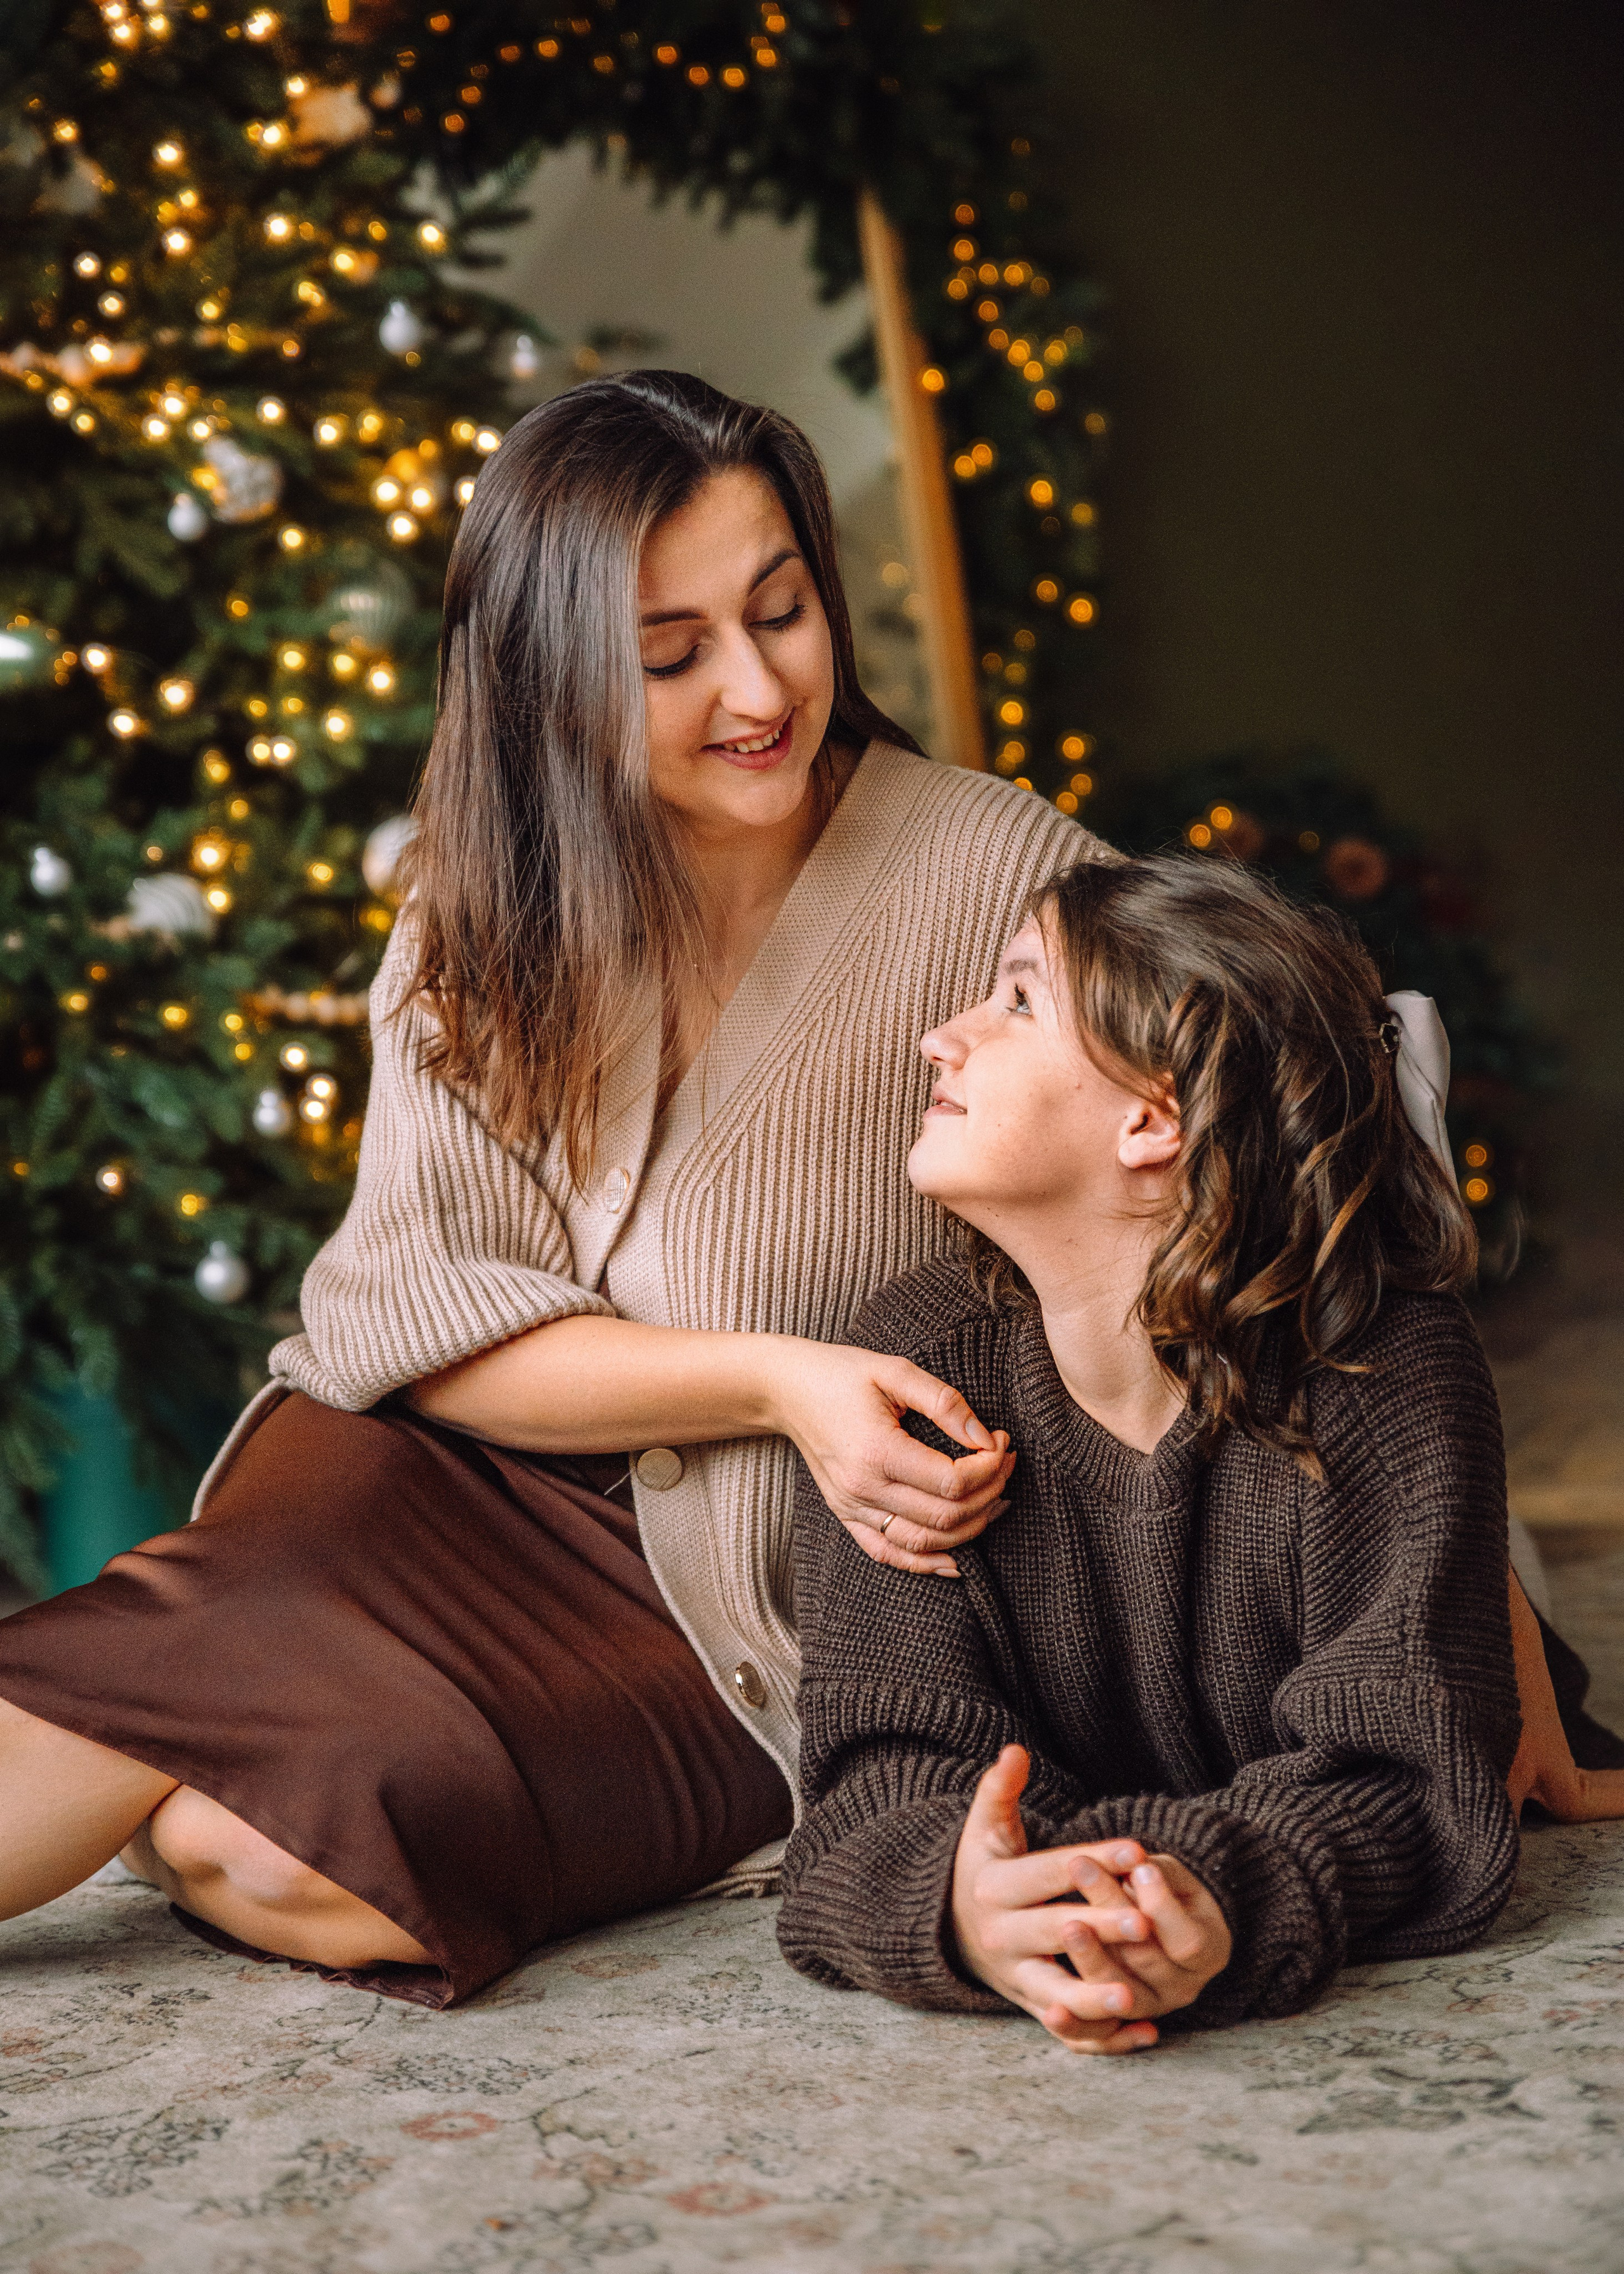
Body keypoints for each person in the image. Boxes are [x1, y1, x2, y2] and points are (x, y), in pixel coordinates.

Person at [0, 372, 1094, 2006]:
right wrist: (779, 1376)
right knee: (200, 1632)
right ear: (550, 677)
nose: (755, 687)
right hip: (422, 1467)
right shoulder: (479, 891)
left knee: (291, 1859)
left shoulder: (1004, 876)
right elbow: (413, 1312)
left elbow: (1236, 1208)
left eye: (781, 610)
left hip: (730, 1582)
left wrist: (1450, 1612)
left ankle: (203, 1774)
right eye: (668, 656)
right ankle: (219, 1718)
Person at [778, 855, 1624, 2053]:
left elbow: (1407, 1785)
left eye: (1018, 1001)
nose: (940, 1039)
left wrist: (1212, 1902)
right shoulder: (913, 1364)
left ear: (1153, 1117)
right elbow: (877, 1774)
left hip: (1423, 1639)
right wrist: (969, 1909)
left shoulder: (1390, 1369)